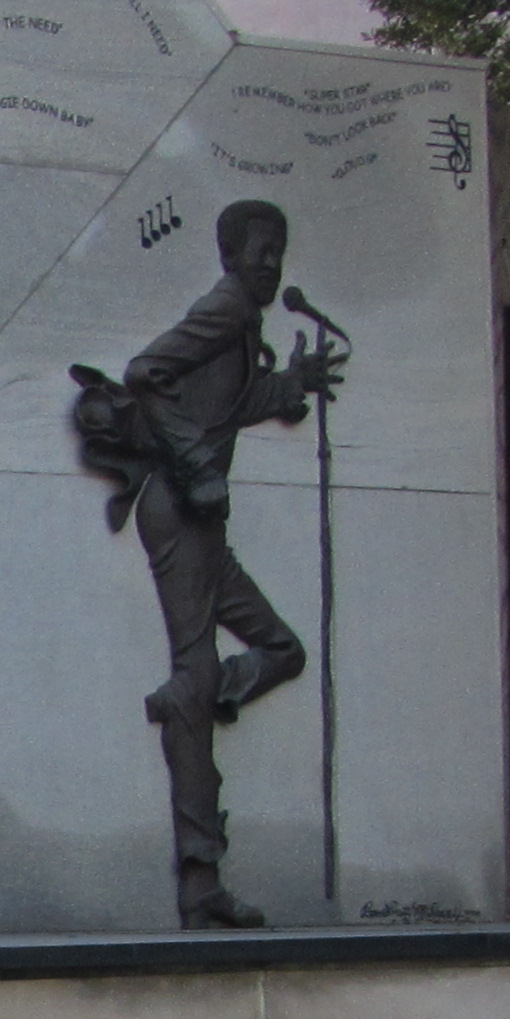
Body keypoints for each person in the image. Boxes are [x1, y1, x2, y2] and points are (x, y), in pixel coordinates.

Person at [121, 200, 335, 929]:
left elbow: (222, 405)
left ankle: (192, 696)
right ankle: (200, 880)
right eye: (260, 250)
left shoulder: (242, 321)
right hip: (181, 511)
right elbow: (145, 372)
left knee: (282, 649)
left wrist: (292, 384)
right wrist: (194, 466)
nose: (272, 264)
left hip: (203, 522)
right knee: (198, 668)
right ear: (230, 255)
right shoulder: (225, 307)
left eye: (279, 250)